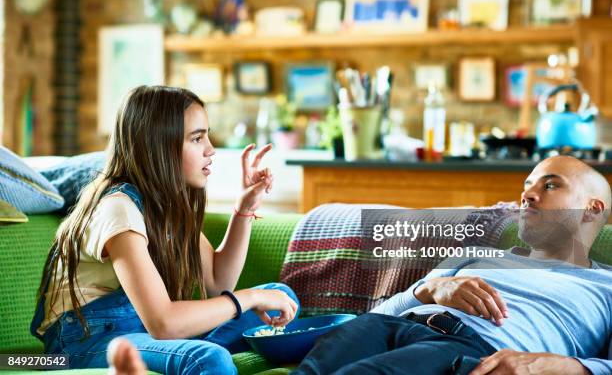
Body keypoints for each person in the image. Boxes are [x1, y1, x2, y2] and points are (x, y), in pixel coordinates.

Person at [30, 86, 299, 375]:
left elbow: (218, 284)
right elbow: (163, 322)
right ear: (158, 146)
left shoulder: (165, 205)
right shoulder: (118, 207)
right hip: (83, 344)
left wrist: (245, 207)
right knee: (207, 359)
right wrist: (251, 298)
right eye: (197, 138)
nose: (211, 149)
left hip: (143, 332)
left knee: (281, 298)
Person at [293, 156, 612, 375]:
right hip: (383, 327)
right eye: (527, 185)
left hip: (470, 348)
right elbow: (379, 317)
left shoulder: (606, 285)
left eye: (550, 185)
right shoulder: (474, 256)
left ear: (592, 209)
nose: (527, 194)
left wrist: (563, 366)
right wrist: (428, 290)